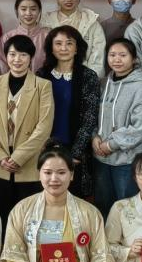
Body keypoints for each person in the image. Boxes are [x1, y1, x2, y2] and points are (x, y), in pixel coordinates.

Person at [0, 35, 55, 225]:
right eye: (12, 54)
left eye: (23, 55)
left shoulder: (43, 86)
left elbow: (44, 127)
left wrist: (18, 157)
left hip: (28, 162)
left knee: (28, 218)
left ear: (31, 57)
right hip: (0, 163)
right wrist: (0, 156)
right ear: (5, 56)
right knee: (1, 216)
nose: (17, 59)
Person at [93, 37, 142, 215]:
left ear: (134, 58)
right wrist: (94, 137)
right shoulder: (104, 83)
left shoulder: (141, 87)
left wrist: (111, 144)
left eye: (123, 55)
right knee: (103, 208)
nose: (117, 59)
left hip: (127, 161)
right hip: (101, 159)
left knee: (127, 209)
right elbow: (95, 116)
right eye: (112, 55)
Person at [38, 25, 100, 200]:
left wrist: (75, 153)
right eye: (58, 43)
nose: (63, 48)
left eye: (69, 43)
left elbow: (90, 117)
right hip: (45, 149)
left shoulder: (88, 76)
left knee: (75, 200)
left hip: (76, 150)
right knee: (47, 199)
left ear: (77, 48)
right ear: (51, 48)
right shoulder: (41, 75)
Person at [40, 0, 107, 75]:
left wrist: (90, 78)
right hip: (52, 75)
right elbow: (42, 53)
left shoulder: (91, 22)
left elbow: (98, 57)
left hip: (84, 76)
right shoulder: (46, 22)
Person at [0, 0, 50, 74]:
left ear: (39, 11)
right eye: (23, 9)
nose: (28, 13)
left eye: (33, 9)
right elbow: (3, 67)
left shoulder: (48, 37)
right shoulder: (7, 38)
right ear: (16, 11)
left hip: (44, 81)